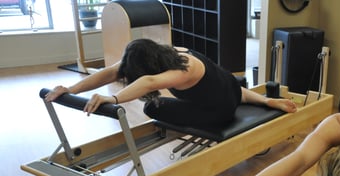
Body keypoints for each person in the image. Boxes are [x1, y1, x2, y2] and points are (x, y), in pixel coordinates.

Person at [45, 38, 297, 126]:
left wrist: (112, 99)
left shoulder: (182, 70)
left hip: (219, 112)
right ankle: (267, 100)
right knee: (229, 89)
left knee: (151, 107)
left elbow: (149, 81)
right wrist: (70, 89)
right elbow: (109, 72)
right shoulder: (171, 52)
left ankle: (263, 101)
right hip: (231, 89)